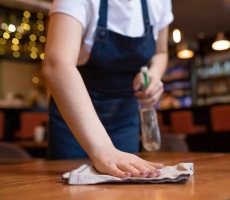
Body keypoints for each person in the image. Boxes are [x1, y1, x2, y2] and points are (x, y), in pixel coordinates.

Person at [42, 0, 173, 179]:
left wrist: (154, 74)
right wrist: (102, 148)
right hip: (76, 118)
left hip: (124, 117)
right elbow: (56, 64)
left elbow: (160, 52)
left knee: (126, 187)